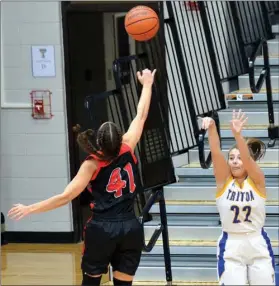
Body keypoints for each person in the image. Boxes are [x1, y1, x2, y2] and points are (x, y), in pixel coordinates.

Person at [8, 68, 157, 286]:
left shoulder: (93, 164)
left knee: (91, 283)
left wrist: (30, 209)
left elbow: (65, 197)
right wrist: (147, 84)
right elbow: (141, 114)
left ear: (99, 141)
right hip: (130, 226)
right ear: (118, 140)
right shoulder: (128, 145)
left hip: (102, 229)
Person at [202, 109, 275, 285]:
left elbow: (249, 161)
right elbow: (216, 152)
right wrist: (212, 128)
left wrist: (237, 136)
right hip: (231, 244)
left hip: (257, 241)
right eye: (232, 158)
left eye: (239, 157)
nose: (235, 161)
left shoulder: (257, 181)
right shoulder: (223, 182)